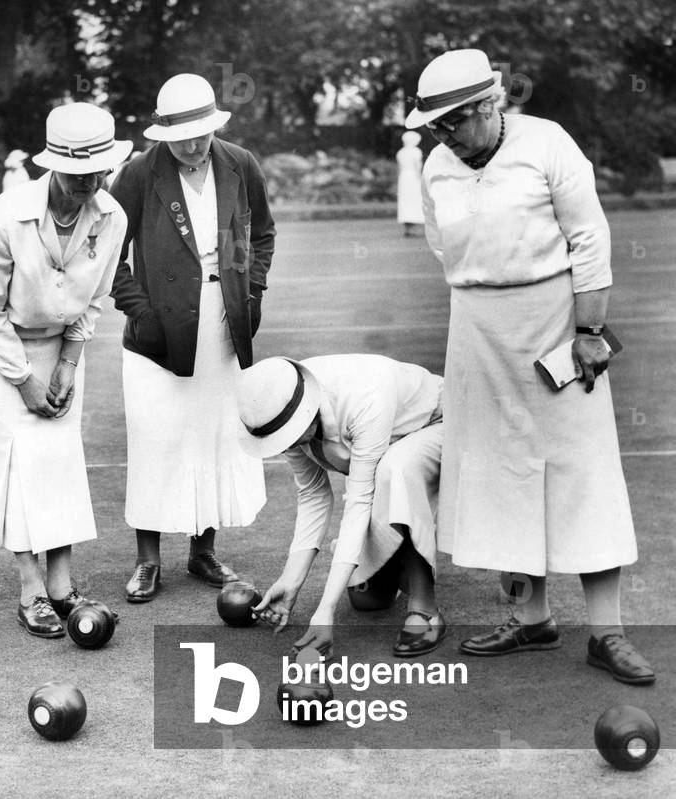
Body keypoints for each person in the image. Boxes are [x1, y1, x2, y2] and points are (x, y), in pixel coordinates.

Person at [407, 48, 653, 684]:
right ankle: (531, 618)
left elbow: (589, 240)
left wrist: (590, 329)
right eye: (434, 127)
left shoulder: (548, 144)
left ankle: (608, 633)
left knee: (581, 472)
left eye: (453, 123)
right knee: (497, 476)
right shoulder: (437, 164)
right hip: (477, 333)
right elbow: (441, 245)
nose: (444, 138)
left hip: (557, 328)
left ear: (491, 104)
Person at [0, 103, 131, 638]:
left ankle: (62, 586)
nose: (89, 182)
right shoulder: (4, 215)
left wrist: (68, 365)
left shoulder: (113, 216)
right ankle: (30, 589)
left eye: (98, 171)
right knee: (21, 454)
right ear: (53, 164)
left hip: (60, 346)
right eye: (78, 171)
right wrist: (23, 378)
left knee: (59, 454)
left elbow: (96, 299)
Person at [110, 73, 275, 602]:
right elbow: (108, 254)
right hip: (158, 335)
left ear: (215, 125)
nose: (192, 144)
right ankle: (148, 561)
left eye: (201, 133)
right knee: (158, 439)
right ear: (162, 133)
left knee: (214, 435)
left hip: (224, 321)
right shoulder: (138, 173)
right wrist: (142, 313)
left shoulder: (239, 162)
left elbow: (262, 232)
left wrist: (250, 288)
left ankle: (202, 552)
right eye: (180, 135)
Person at [239, 356, 446, 657]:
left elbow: (359, 501)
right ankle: (399, 555)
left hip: (439, 424)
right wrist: (290, 580)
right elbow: (313, 495)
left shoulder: (363, 398)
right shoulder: (279, 405)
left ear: (306, 411)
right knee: (369, 601)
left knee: (397, 468)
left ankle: (427, 611)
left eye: (286, 437)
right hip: (385, 454)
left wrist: (326, 610)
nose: (285, 446)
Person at [395, 131, 424, 237]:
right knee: (414, 200)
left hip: (403, 178)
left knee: (405, 201)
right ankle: (412, 227)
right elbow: (418, 168)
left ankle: (408, 228)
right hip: (413, 178)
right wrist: (421, 180)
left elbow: (399, 168)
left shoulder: (401, 152)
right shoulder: (416, 151)